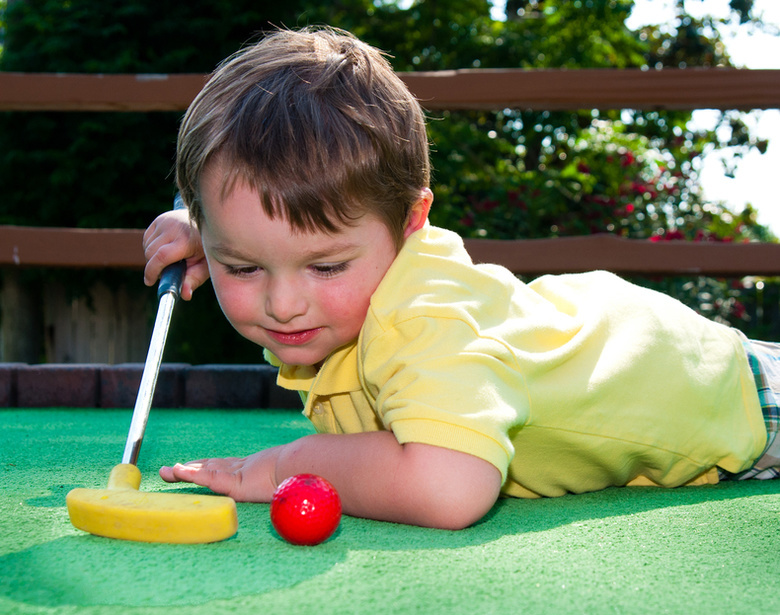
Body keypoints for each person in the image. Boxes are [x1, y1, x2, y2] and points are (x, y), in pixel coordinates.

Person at [143, 26, 779, 530]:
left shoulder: (423, 316)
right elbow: (272, 227)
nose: (283, 303)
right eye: (244, 265)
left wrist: (285, 465)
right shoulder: (335, 269)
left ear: (413, 221)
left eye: (327, 265)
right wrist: (209, 234)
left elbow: (448, 489)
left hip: (744, 400)